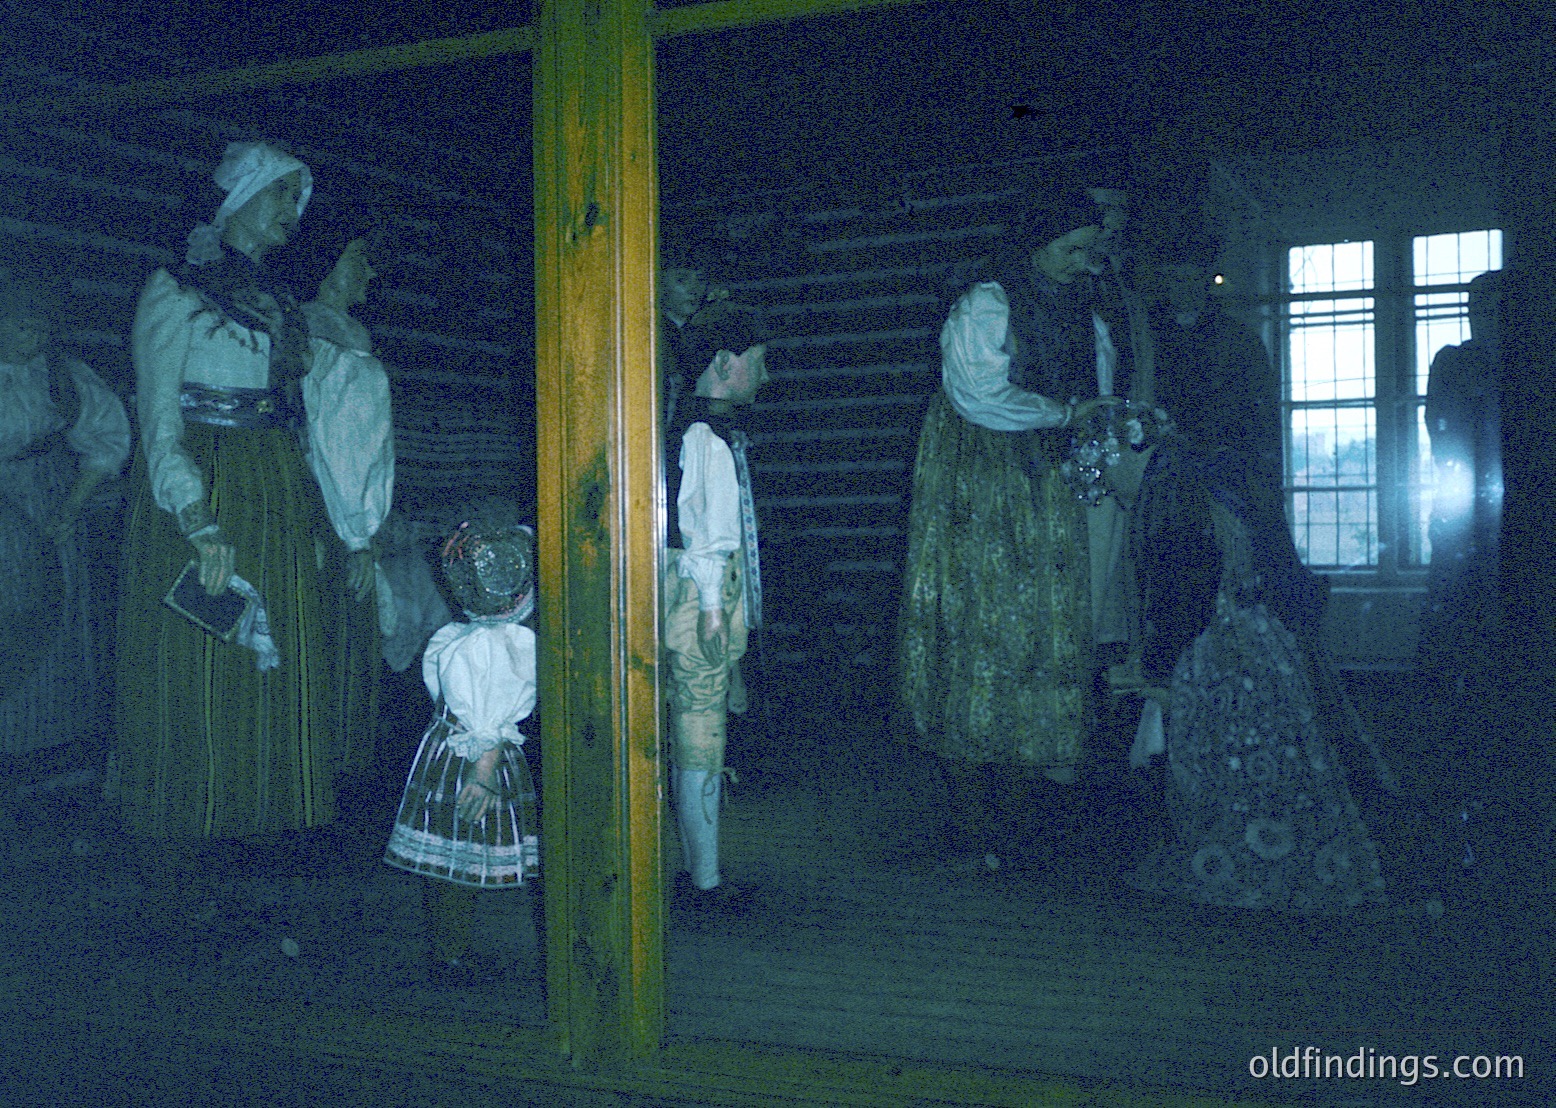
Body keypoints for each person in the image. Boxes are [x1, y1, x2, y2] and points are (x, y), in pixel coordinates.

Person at [117, 140, 343, 843]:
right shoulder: (174, 291)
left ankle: (265, 820)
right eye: (281, 194)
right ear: (237, 197)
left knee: (280, 647)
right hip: (207, 484)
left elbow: (300, 414)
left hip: (273, 481)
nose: (293, 212)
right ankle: (193, 826)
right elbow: (158, 419)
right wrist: (196, 516)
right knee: (205, 652)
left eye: (297, 199)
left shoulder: (280, 306)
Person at [1092, 408, 1389, 914]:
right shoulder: (1198, 470)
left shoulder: (1171, 491)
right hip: (1261, 635)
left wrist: (1157, 671)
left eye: (1103, 468)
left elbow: (1186, 589)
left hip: (1221, 646)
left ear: (1127, 451)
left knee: (1232, 764)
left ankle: (1244, 870)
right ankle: (1302, 866)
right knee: (1280, 762)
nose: (1102, 484)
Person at [899, 187, 1120, 861]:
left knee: (1039, 635)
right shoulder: (987, 305)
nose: (1083, 262)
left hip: (1046, 488)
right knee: (979, 635)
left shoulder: (1088, 313)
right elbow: (979, 395)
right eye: (1070, 247)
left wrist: (1095, 425)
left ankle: (1023, 822)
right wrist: (1063, 415)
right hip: (981, 484)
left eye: (1091, 249)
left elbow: (1100, 389)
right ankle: (971, 825)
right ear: (1036, 243)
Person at [383, 510, 539, 986]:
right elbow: (489, 717)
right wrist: (484, 769)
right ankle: (450, 951)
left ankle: (451, 945)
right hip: (473, 757)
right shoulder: (501, 645)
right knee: (461, 847)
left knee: (453, 851)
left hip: (447, 748)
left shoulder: (461, 637)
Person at [662, 310, 769, 915]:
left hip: (714, 595)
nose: (763, 373)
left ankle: (703, 868)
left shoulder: (718, 433)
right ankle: (703, 880)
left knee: (705, 728)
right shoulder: (705, 438)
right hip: (704, 597)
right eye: (756, 359)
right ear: (724, 365)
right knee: (700, 733)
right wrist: (710, 608)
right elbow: (705, 533)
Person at [0, 276, 130, 756]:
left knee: (51, 612)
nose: (31, 340)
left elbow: (107, 437)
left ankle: (43, 742)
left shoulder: (59, 377)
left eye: (40, 330)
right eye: (20, 327)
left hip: (48, 506)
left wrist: (72, 506)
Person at [302, 235, 396, 782]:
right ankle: (327, 791)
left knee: (339, 656)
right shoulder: (326, 337)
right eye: (357, 258)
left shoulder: (327, 333)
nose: (369, 272)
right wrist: (356, 537)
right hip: (337, 520)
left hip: (344, 517)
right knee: (336, 655)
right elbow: (337, 446)